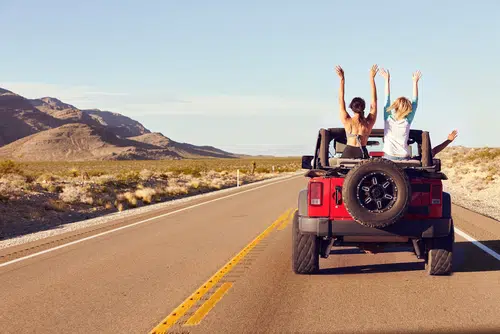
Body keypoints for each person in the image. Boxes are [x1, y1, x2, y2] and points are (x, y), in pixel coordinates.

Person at [335, 64, 379, 159]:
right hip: (362, 152)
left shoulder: (347, 120)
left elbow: (340, 100)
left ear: (351, 107)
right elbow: (374, 102)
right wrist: (372, 78)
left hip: (348, 152)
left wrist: (342, 79)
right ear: (363, 107)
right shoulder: (368, 122)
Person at [379, 68, 422, 160]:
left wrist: (387, 80)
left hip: (389, 155)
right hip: (404, 156)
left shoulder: (388, 118)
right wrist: (415, 82)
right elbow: (415, 102)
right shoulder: (407, 120)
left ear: (395, 106)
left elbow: (387, 99)